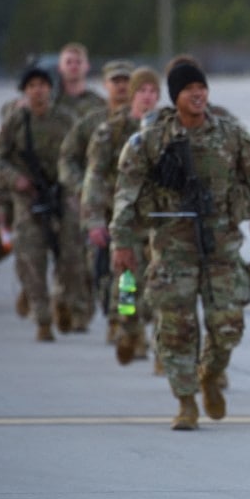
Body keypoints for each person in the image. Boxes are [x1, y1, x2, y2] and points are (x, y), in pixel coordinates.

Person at [110, 61, 250, 430]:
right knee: (177, 328)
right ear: (176, 97)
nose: (198, 94)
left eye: (201, 87)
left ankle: (210, 372)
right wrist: (121, 242)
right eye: (189, 89)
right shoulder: (150, 140)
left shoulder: (232, 135)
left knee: (228, 325)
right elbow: (126, 194)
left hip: (221, 246)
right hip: (173, 249)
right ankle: (186, 401)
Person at [0, 66, 85, 340]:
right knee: (31, 257)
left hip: (61, 193)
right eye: (32, 85)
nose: (38, 90)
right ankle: (43, 319)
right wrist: (15, 179)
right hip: (28, 197)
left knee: (71, 255)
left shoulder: (66, 119)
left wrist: (75, 187)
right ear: (24, 90)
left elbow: (83, 154)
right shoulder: (15, 121)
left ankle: (64, 300)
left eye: (43, 84)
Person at [82, 66, 160, 364]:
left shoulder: (168, 130)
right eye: (142, 90)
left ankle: (161, 342)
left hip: (161, 225)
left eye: (153, 91)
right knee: (127, 286)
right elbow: (94, 177)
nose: (147, 97)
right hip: (125, 224)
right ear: (132, 94)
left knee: (164, 287)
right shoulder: (111, 132)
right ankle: (131, 331)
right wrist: (94, 221)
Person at [59, 59, 134, 330]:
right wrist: (82, 190)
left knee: (128, 272)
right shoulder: (92, 123)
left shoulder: (143, 122)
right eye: (116, 82)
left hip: (132, 212)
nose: (122, 87)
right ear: (105, 85)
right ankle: (108, 309)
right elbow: (67, 159)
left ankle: (122, 320)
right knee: (99, 269)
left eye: (127, 81)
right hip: (100, 210)